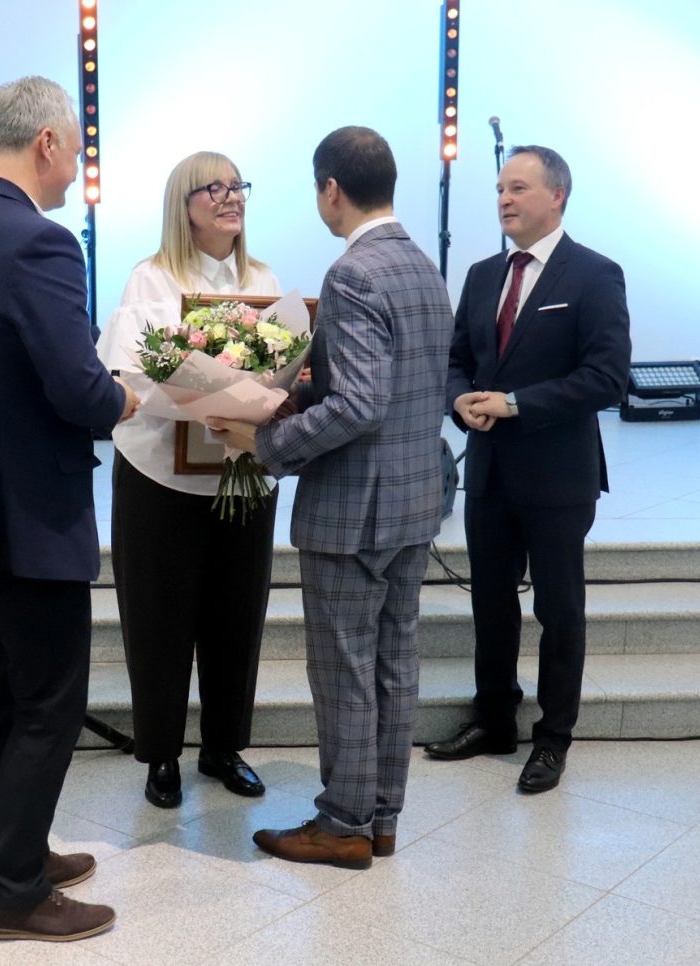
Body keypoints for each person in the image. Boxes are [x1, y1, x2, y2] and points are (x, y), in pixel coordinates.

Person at [0, 76, 138, 943]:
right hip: (32, 517)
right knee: (48, 703)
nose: (76, 168)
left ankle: (17, 851)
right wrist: (126, 396)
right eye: (75, 149)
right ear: (46, 141)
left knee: (2, 694)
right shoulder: (38, 243)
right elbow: (77, 390)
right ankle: (11, 892)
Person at [210, 126, 453, 869]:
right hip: (413, 503)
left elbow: (360, 406)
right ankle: (381, 817)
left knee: (344, 669)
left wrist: (265, 441)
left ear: (331, 189)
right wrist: (301, 393)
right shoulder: (422, 267)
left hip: (355, 512)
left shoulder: (352, 275)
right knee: (394, 664)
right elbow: (390, 388)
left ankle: (342, 824)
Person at [424, 145, 631, 793]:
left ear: (557, 195)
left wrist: (515, 403)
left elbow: (607, 378)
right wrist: (460, 400)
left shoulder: (594, 274)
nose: (504, 200)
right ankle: (494, 719)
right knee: (491, 603)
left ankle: (553, 737)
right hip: (490, 472)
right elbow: (456, 359)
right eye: (499, 189)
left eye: (517, 188)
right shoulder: (484, 274)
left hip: (558, 474)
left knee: (559, 609)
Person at [96, 151, 281, 809]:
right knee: (158, 620)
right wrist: (224, 397)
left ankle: (224, 747)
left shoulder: (263, 279)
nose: (232, 197)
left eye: (238, 186)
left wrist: (267, 394)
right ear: (184, 205)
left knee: (237, 617)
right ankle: (161, 755)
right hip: (159, 476)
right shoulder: (150, 280)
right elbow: (134, 376)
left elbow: (282, 368)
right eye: (214, 188)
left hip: (241, 473)